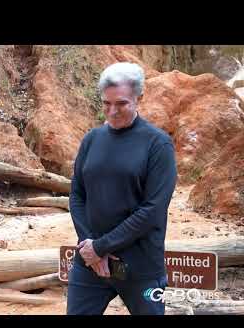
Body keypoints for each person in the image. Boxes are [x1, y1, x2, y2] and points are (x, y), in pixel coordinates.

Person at [67, 62, 177, 315]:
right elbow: (77, 195)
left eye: (121, 104)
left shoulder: (158, 144)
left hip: (140, 267)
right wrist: (89, 248)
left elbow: (152, 210)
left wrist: (101, 247)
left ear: (139, 98)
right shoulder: (92, 139)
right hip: (90, 265)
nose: (112, 111)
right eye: (106, 104)